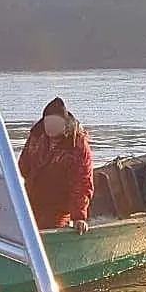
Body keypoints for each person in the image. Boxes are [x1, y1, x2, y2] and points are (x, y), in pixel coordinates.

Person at [18, 97, 94, 234]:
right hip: (32, 198)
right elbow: (22, 168)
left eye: (55, 122)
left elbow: (82, 183)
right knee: (19, 225)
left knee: (48, 227)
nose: (50, 126)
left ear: (64, 124)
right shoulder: (37, 136)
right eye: (48, 122)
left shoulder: (77, 146)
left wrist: (79, 217)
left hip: (59, 207)